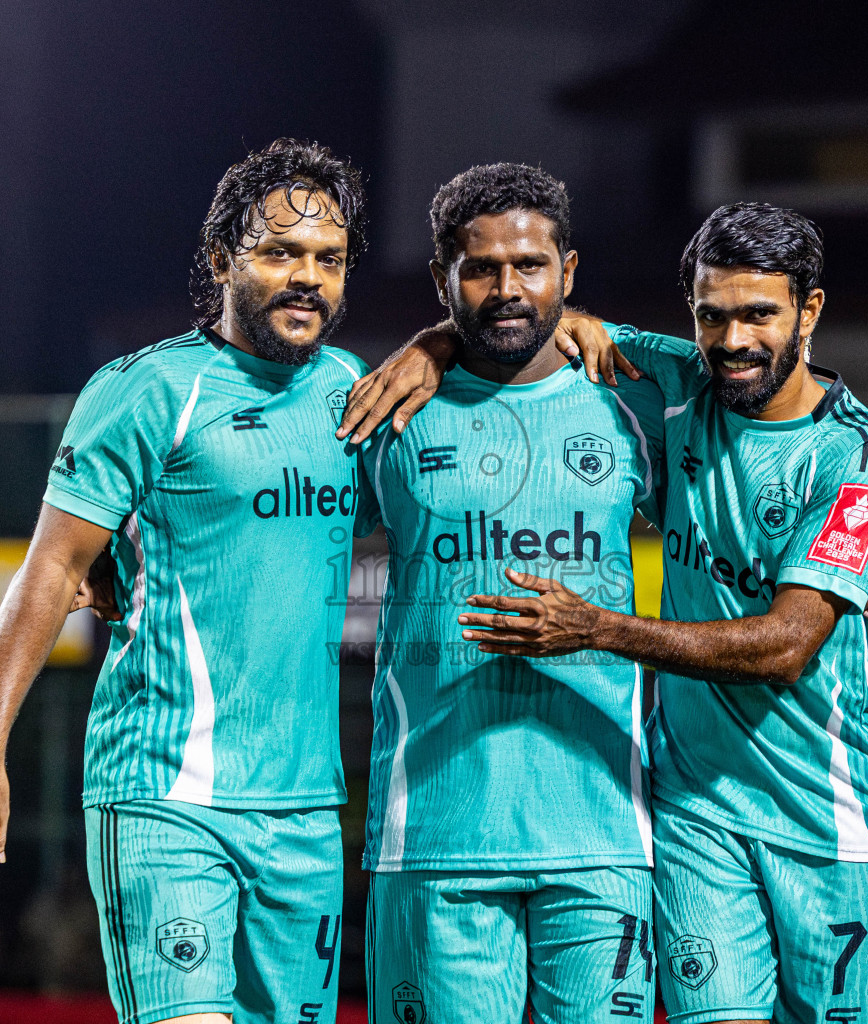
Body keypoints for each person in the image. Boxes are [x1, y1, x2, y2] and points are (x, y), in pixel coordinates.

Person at [346, 202, 868, 1023]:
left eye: (760, 314)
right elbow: (525, 322)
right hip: (692, 816)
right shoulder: (676, 386)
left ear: (810, 310)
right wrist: (431, 344)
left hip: (829, 819)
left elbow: (788, 646)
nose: (733, 341)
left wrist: (597, 630)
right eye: (711, 316)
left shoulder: (861, 454)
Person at [0, 138, 373, 1024]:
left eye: (328, 259)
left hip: (307, 814)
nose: (307, 278)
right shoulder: (148, 389)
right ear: (222, 259)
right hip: (165, 794)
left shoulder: (354, 389)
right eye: (281, 252)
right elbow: (53, 567)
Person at [351, 163, 669, 1024]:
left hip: (604, 834)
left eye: (529, 265)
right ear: (441, 278)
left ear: (568, 269)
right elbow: (276, 525)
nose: (507, 289)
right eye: (480, 268)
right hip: (434, 834)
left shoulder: (632, 408)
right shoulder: (389, 412)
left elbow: (735, 523)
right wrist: (115, 549)